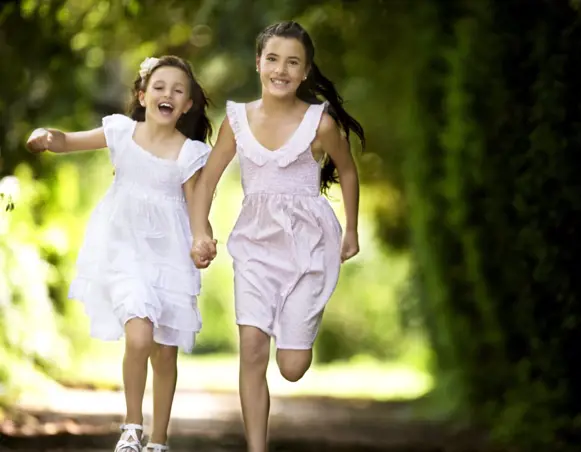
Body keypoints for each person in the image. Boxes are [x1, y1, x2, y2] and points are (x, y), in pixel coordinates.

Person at [188, 21, 365, 452]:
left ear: (305, 72)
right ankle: (256, 447)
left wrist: (353, 229)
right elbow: (208, 180)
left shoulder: (319, 123)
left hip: (309, 247)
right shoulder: (237, 120)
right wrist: (200, 230)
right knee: (251, 347)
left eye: (292, 63)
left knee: (291, 367)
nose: (281, 70)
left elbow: (346, 169)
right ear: (258, 63)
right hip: (255, 246)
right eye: (272, 59)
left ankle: (301, 327)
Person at [25, 55, 213, 452]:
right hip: (123, 249)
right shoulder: (121, 132)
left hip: (170, 255)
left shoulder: (190, 153)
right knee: (140, 335)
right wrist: (46, 135)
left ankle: (159, 441)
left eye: (179, 91)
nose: (168, 95)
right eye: (160, 87)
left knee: (165, 355)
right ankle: (132, 427)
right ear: (143, 96)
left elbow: (197, 209)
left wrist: (202, 239)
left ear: (188, 105)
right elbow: (68, 140)